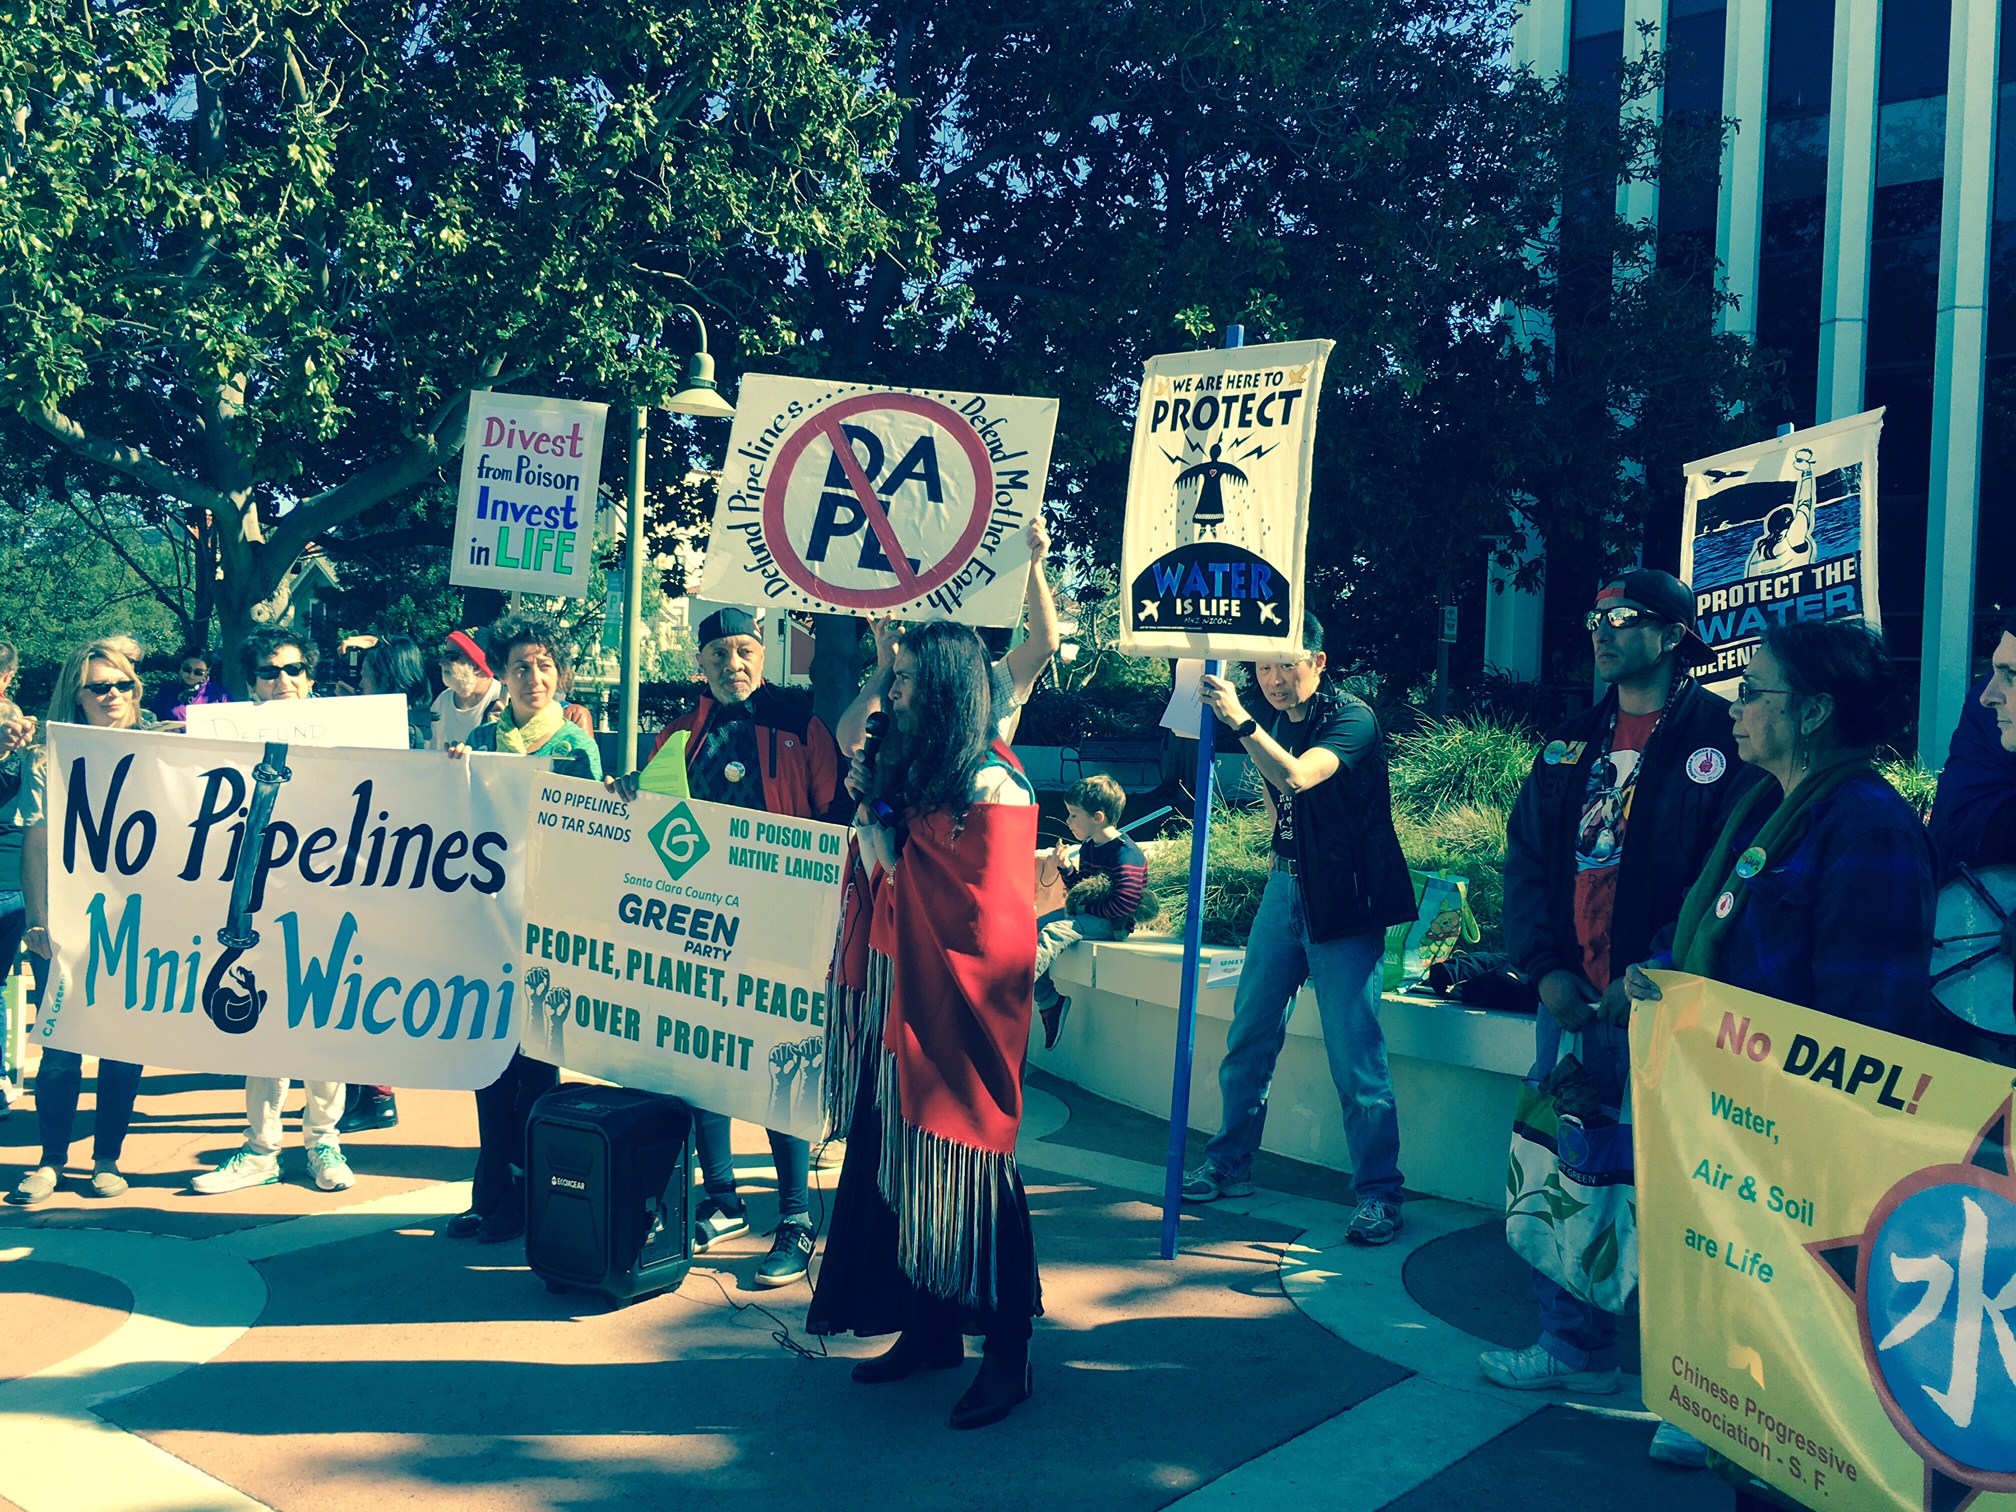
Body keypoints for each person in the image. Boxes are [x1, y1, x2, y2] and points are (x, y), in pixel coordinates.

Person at [1623, 621, 1940, 1511]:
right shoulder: (1766, 805)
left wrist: (1788, 1146)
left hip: (1802, 1173)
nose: (1735, 705)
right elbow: (1720, 923)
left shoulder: (1870, 826)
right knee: (1750, 1424)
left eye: (1756, 691)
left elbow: (1867, 1035)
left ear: (1814, 712)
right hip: (1739, 1146)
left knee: (1797, 1434)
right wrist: (1663, 975)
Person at [1482, 570, 1752, 1467]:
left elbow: (1729, 874)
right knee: (1570, 1176)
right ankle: (1573, 1350)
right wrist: (1544, 968)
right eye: (1595, 616)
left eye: (1626, 618)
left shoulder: (1723, 737)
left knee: (1682, 1196)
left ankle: (1696, 1392)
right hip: (1570, 1006)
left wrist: (1661, 970)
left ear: (1674, 635)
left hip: (1671, 1007)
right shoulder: (1571, 739)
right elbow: (1526, 858)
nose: (1602, 630)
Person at [808, 622, 1043, 1430]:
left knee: (973, 1169)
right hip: (898, 991)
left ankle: (1009, 1353)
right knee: (900, 1163)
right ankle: (930, 1326)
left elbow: (983, 919)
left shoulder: (993, 781)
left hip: (962, 1010)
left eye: (907, 679)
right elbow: (894, 874)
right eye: (895, 677)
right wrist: (872, 807)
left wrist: (884, 836)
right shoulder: (919, 767)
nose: (896, 692)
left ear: (944, 687)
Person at [610, 607, 844, 1286]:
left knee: (780, 1065)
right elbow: (655, 822)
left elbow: (835, 822)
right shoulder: (679, 735)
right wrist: (628, 792)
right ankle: (723, 1200)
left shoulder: (803, 727)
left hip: (782, 925)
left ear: (762, 655)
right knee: (702, 1058)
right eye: (718, 654)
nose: (732, 665)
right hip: (701, 926)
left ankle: (795, 1217)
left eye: (744, 651)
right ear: (700, 663)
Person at [1179, 614, 1417, 1247]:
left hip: (1344, 898)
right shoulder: (1278, 719)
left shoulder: (1353, 718)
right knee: (1249, 1035)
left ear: (1318, 660)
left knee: (1355, 1056)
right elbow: (1275, 795)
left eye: (1287, 663)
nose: (1275, 679)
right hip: (1284, 887)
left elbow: (1297, 776)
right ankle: (1229, 1164)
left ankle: (1379, 1195)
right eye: (1264, 667)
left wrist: (1239, 719)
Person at [444, 612, 602, 1242]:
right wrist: (451, 771)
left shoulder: (576, 746)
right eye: (520, 667)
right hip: (487, 923)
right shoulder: (482, 742)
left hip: (544, 926)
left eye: (544, 666)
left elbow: (591, 836)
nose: (533, 677)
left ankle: (526, 1193)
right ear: (502, 677)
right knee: (488, 1063)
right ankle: (490, 1191)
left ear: (560, 675)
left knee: (534, 1065)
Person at [192, 630, 356, 1197]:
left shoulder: (350, 732)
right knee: (259, 1015)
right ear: (251, 682)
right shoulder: (226, 735)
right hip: (255, 893)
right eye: (269, 671)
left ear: (310, 675)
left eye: (293, 669)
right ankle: (261, 1147)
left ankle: (324, 1141)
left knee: (323, 1016)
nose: (283, 680)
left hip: (329, 890)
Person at [8, 642, 153, 1204]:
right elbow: (36, 842)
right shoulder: (49, 756)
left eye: (122, 683)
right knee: (61, 1047)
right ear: (77, 694)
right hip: (67, 920)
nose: (113, 694)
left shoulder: (164, 748)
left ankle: (107, 1159)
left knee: (123, 1043)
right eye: (99, 686)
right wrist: (37, 919)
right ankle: (50, 1162)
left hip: (142, 920)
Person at [836, 517, 1061, 752]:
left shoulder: (986, 688)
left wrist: (1034, 565)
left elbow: (1044, 645)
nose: (894, 692)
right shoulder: (901, 687)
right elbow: (852, 743)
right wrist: (886, 669)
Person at [1032, 774, 1149, 1048]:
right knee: (1032, 928)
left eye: (1074, 815)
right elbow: (1083, 889)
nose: (1068, 821)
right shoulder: (1089, 847)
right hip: (1089, 915)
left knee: (1053, 931)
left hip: (1112, 924)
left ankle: (1015, 985)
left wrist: (1084, 908)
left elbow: (1126, 904)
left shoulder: (1126, 854)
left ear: (1097, 817)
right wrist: (1066, 869)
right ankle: (1049, 1002)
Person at [429, 629, 503, 749]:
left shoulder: (503, 700)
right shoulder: (442, 701)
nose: (442, 663)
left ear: (476, 666)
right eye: (444, 655)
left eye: (451, 656)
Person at [151, 652, 230, 722]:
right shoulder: (165, 693)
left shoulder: (220, 695)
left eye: (198, 672)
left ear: (207, 672)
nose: (191, 675)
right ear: (181, 667)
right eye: (187, 669)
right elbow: (153, 723)